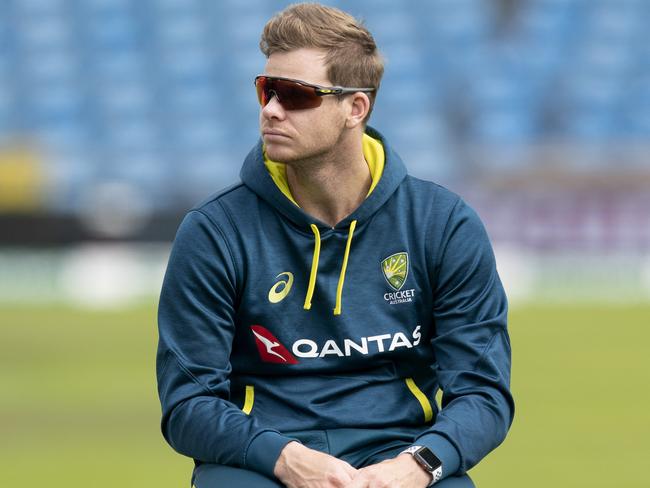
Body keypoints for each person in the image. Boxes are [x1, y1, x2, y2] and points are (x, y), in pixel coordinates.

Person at [156, 3, 514, 487]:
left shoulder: (443, 224)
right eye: (266, 89)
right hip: (260, 459)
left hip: (400, 454)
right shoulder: (214, 230)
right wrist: (285, 458)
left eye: (295, 95)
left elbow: (483, 393)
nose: (271, 110)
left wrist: (420, 464)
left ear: (356, 107)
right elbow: (188, 404)